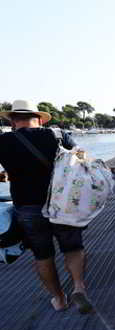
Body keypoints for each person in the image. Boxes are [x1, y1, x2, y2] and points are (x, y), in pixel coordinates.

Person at [0, 100, 93, 314]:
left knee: (43, 255)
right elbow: (82, 160)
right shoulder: (57, 135)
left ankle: (59, 299)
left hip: (28, 207)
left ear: (13, 121)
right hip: (63, 203)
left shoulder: (3, 142)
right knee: (73, 247)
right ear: (39, 119)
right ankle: (79, 287)